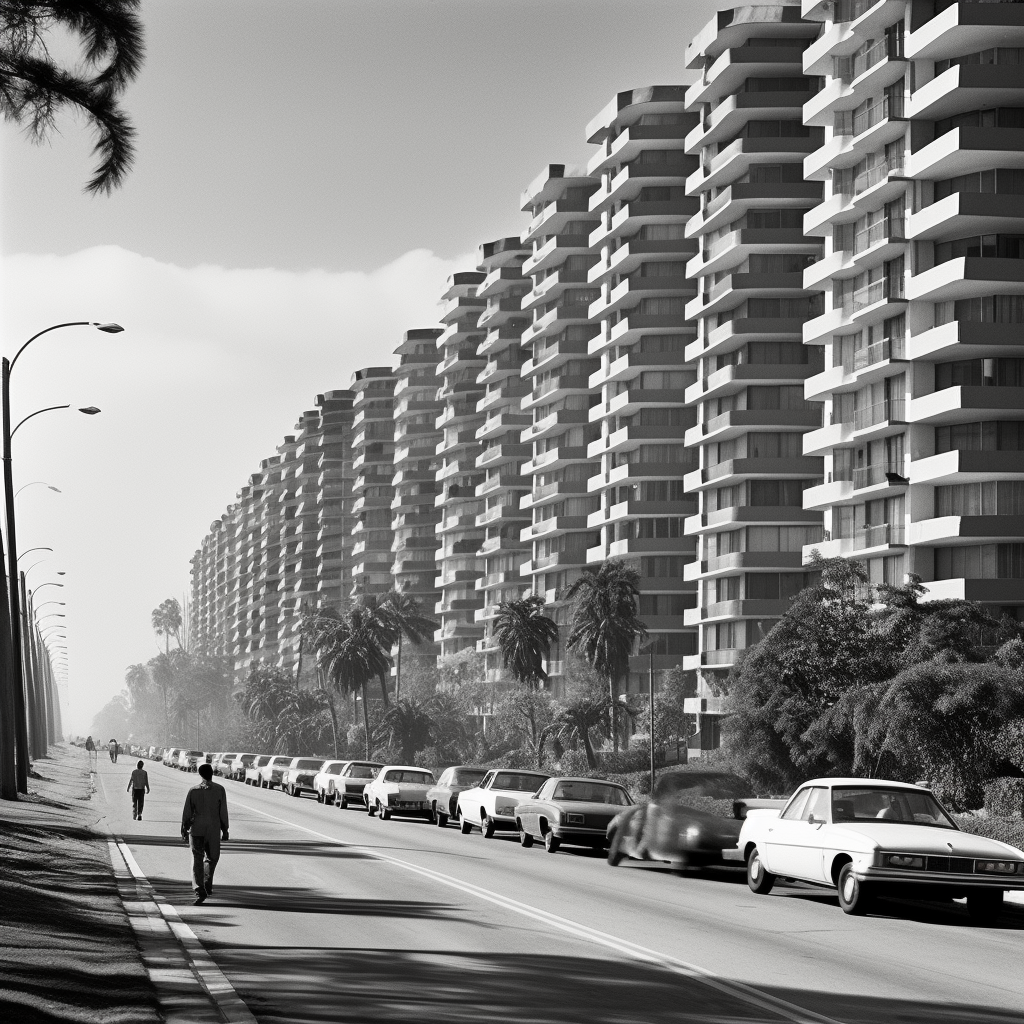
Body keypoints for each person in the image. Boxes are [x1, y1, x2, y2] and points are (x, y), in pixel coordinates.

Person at [181, 762, 229, 905]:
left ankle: (200, 888)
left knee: (197, 859)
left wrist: (184, 829)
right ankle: (206, 884)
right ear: (212, 773)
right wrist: (225, 829)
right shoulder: (219, 790)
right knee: (212, 857)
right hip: (213, 830)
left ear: (200, 775)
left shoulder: (193, 791)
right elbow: (223, 812)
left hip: (197, 830)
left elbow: (187, 813)